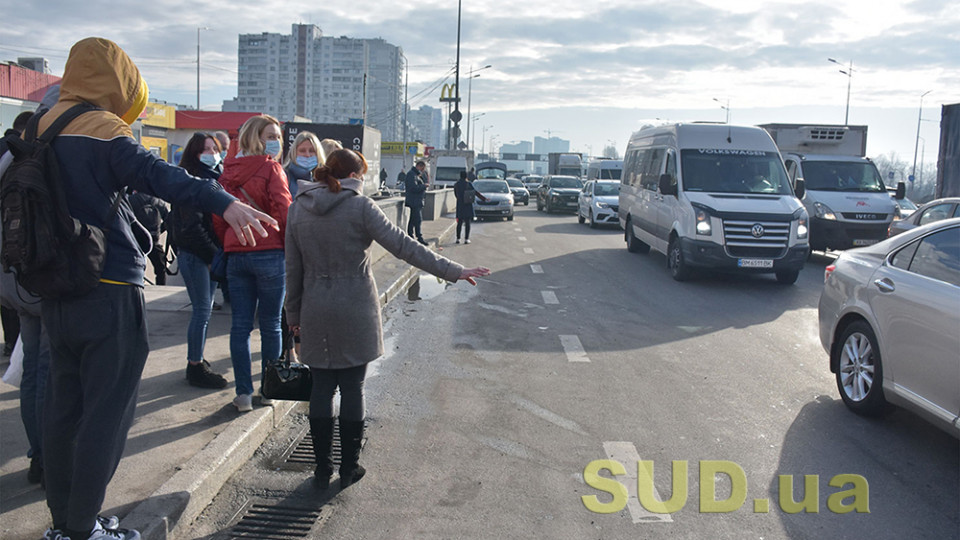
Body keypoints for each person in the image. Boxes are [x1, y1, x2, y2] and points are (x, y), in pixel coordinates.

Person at [34, 38, 276, 540]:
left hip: (56, 287)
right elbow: (160, 176)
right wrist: (225, 203)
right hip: (107, 286)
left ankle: (62, 525)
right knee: (108, 412)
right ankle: (83, 528)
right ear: (116, 79)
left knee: (62, 410)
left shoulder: (43, 125)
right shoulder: (102, 130)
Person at [284, 149, 489, 490]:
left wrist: (294, 315)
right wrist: (454, 270)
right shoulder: (361, 206)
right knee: (352, 388)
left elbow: (293, 268)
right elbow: (405, 246)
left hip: (315, 308)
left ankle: (322, 469)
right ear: (355, 175)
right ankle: (348, 468)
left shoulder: (298, 208)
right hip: (355, 308)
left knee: (320, 388)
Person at [0, 88, 59, 488]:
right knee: (50, 370)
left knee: (33, 369)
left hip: (15, 275)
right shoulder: (53, 150)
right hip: (50, 275)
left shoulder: (9, 152)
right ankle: (48, 458)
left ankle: (39, 456)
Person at [213, 114, 293, 413]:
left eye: (277, 136)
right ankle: (269, 390)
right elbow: (284, 210)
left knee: (240, 326)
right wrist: (287, 246)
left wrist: (231, 242)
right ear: (255, 137)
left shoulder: (228, 171)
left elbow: (218, 216)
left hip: (237, 255)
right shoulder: (271, 168)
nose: (275, 142)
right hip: (271, 252)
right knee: (271, 324)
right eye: (270, 135)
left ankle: (243, 394)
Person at [169, 132, 229, 389]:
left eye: (214, 148)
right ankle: (194, 365)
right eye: (206, 149)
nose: (212, 153)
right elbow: (191, 227)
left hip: (208, 254)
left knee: (204, 311)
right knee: (202, 310)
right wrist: (213, 256)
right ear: (195, 154)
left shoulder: (217, 178)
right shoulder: (190, 182)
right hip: (196, 256)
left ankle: (197, 359)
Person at [128, 191, 168, 285]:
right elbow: (168, 219)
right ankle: (160, 286)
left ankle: (136, 282)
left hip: (136, 239)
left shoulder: (130, 200)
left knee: (135, 264)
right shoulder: (157, 201)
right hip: (154, 238)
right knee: (160, 268)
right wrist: (159, 230)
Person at [282, 131, 323, 198]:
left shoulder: (325, 179)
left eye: (312, 151)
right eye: (302, 151)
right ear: (294, 153)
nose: (307, 155)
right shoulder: (284, 176)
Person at [453, 170, 487, 244]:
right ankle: (466, 239)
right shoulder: (468, 184)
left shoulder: (456, 184)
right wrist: (484, 198)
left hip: (460, 205)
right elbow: (475, 192)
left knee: (459, 222)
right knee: (467, 223)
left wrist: (459, 199)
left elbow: (455, 194)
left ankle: (458, 238)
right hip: (467, 205)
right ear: (466, 176)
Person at [404, 161, 428, 245]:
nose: (423, 170)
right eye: (422, 168)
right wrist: (424, 186)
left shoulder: (415, 175)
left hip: (416, 201)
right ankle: (418, 237)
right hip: (414, 201)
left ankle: (411, 236)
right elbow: (413, 188)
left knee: (413, 220)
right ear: (419, 166)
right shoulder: (412, 175)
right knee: (417, 220)